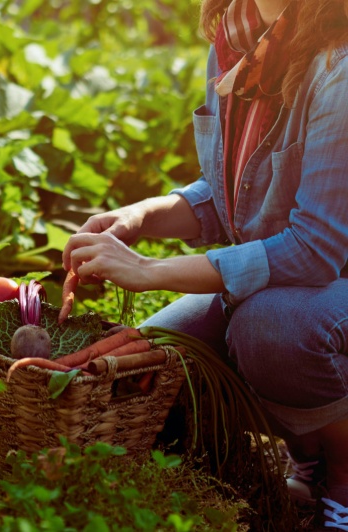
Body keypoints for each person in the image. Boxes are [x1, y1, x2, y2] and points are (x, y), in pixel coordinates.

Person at [62, 0, 348, 528]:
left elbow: (316, 249)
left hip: (331, 285)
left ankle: (345, 478)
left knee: (272, 329)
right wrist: (138, 216)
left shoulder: (339, 64)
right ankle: (311, 452)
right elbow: (225, 195)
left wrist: (150, 272)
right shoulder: (239, 39)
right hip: (282, 282)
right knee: (160, 366)